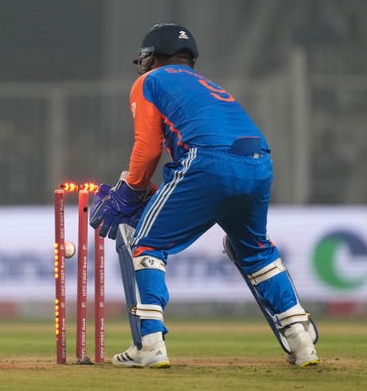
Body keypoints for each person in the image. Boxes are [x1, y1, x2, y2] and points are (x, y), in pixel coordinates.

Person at [90, 23, 319, 368]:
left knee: (146, 243)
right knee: (256, 252)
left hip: (207, 163)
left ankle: (150, 344)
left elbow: (148, 147)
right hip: (258, 163)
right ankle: (301, 340)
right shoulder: (208, 84)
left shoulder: (149, 81)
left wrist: (132, 189)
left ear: (153, 58)